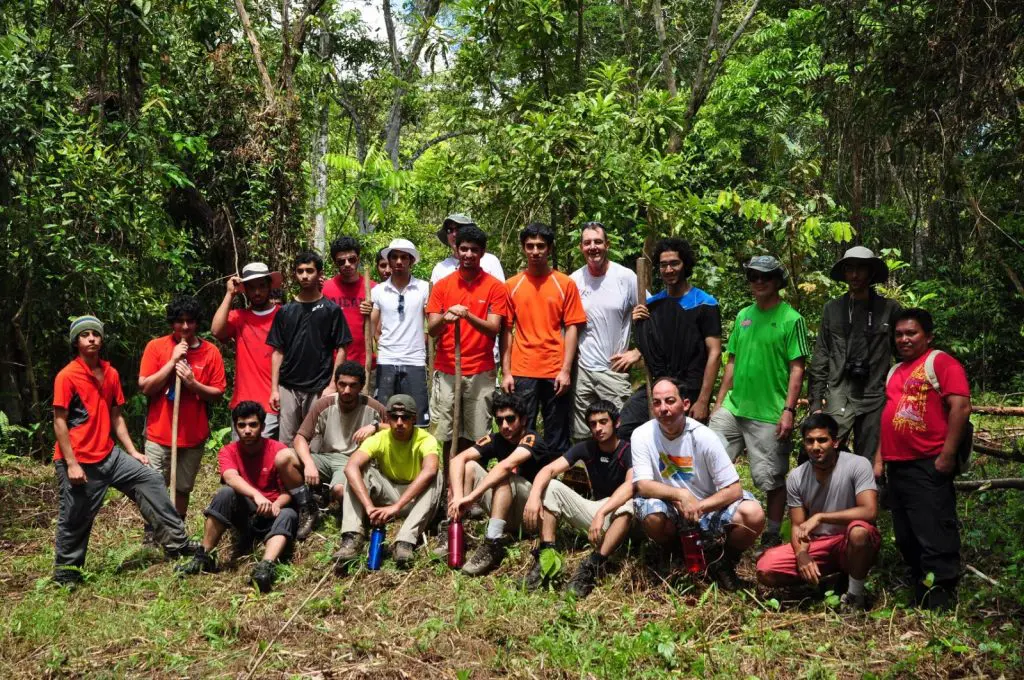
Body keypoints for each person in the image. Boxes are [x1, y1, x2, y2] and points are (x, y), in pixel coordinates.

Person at [53, 316, 197, 586]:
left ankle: (177, 543)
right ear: (76, 341)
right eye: (84, 335)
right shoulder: (67, 376)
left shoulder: (110, 373)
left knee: (150, 479)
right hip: (80, 460)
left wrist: (131, 451)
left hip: (110, 454)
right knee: (76, 515)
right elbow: (59, 421)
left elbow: (117, 417)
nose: (91, 339)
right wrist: (71, 463)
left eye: (95, 334)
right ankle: (66, 573)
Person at [710, 255, 808, 552]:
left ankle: (772, 533)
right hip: (733, 407)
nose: (759, 282)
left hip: (769, 413)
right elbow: (732, 363)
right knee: (709, 463)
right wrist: (719, 403)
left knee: (770, 477)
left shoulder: (792, 319)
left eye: (765, 276)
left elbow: (797, 367)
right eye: (753, 276)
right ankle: (713, 525)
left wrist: (788, 410)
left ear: (778, 280)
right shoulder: (743, 316)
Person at [874, 308, 970, 610]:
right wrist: (879, 459)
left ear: (927, 336)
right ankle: (921, 587)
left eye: (911, 333)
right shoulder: (895, 371)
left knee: (934, 528)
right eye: (899, 334)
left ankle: (940, 594)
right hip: (897, 465)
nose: (904, 339)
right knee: (905, 533)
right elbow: (886, 418)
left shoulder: (940, 362)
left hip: (928, 461)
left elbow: (961, 408)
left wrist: (947, 455)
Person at [633, 377, 765, 590]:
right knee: (652, 515)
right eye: (657, 403)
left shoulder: (704, 437)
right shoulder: (642, 435)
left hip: (706, 508)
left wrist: (699, 506)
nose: (663, 408)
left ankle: (723, 561)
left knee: (753, 514)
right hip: (670, 507)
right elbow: (643, 485)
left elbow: (734, 489)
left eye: (669, 401)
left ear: (685, 404)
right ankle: (673, 553)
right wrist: (680, 495)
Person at [756, 413, 880, 610]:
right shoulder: (797, 477)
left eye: (822, 440)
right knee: (766, 568)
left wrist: (821, 516)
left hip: (849, 540)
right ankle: (826, 580)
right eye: (810, 441)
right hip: (818, 543)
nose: (815, 447)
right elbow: (798, 525)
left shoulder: (858, 464)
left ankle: (855, 595)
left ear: (835, 442)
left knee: (859, 532)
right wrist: (801, 555)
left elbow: (869, 511)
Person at [176, 402, 297, 593]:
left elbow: (288, 492)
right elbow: (230, 477)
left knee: (289, 513)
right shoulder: (228, 451)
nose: (247, 430)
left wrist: (275, 505)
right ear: (236, 427)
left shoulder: (277, 449)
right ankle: (204, 556)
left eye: (253, 425)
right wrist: (257, 496)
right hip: (245, 512)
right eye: (242, 425)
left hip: (273, 513)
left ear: (263, 427)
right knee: (226, 493)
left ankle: (265, 567)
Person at [520, 399, 635, 597]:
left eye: (603, 422)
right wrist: (534, 496)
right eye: (593, 424)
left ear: (616, 423)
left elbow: (630, 486)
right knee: (552, 486)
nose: (598, 428)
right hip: (596, 512)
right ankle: (546, 557)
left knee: (630, 503)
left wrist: (602, 512)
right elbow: (549, 469)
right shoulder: (586, 448)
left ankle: (593, 566)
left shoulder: (629, 450)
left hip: (621, 515)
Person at [617, 237, 722, 441]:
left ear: (685, 265)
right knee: (625, 426)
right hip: (659, 385)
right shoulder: (653, 305)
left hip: (689, 388)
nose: (669, 269)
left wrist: (702, 400)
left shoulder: (704, 303)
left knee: (686, 442)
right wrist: (639, 322)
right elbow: (651, 345)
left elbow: (715, 354)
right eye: (664, 265)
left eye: (674, 263)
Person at [445, 392, 560, 575]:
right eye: (499, 421)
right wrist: (459, 496)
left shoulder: (532, 439)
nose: (504, 426)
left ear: (523, 420)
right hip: (506, 507)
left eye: (510, 419)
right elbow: (457, 460)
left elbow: (506, 466)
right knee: (469, 466)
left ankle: (493, 542)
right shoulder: (497, 438)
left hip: (531, 514)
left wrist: (472, 497)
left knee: (502, 474)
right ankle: (455, 528)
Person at [138, 295, 226, 524]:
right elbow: (146, 387)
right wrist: (171, 361)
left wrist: (192, 384)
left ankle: (177, 528)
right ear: (172, 322)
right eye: (179, 321)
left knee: (182, 487)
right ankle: (153, 530)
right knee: (153, 486)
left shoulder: (210, 353)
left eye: (190, 321)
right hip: (159, 435)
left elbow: (218, 394)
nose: (185, 326)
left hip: (192, 436)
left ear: (197, 322)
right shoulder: (156, 347)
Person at [274, 362, 386, 541]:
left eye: (353, 385)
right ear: (336, 383)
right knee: (283, 457)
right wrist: (309, 463)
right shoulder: (324, 404)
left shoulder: (374, 408)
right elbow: (300, 438)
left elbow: (399, 428)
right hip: (326, 457)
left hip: (353, 461)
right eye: (342, 384)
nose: (347, 390)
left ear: (361, 386)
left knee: (340, 491)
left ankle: (349, 519)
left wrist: (376, 426)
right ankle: (308, 506)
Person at [807, 247, 901, 460]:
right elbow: (821, 353)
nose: (855, 275)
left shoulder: (889, 309)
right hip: (839, 393)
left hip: (874, 394)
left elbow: (903, 356)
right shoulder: (833, 309)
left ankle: (869, 493)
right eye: (850, 269)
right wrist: (815, 402)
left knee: (868, 461)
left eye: (861, 269)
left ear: (871, 272)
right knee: (825, 453)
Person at [502, 222, 588, 454]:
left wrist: (566, 370)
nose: (535, 251)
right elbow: (506, 330)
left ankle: (553, 482)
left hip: (554, 370)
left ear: (549, 249)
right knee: (521, 430)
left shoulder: (565, 284)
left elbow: (572, 328)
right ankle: (522, 483)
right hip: (523, 369)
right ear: (523, 248)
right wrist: (507, 371)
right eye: (530, 246)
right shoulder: (511, 285)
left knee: (557, 432)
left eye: (541, 246)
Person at [426, 225, 510, 456]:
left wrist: (467, 315)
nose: (468, 255)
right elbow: (432, 330)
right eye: (464, 249)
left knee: (476, 435)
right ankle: (447, 484)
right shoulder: (443, 286)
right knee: (445, 432)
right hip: (447, 370)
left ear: (482, 253)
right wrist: (446, 317)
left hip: (481, 372)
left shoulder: (494, 287)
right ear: (456, 250)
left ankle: (470, 483)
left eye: (474, 250)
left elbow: (493, 329)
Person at [333, 395, 442, 568]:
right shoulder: (379, 438)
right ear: (388, 419)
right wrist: (368, 506)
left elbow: (429, 470)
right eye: (394, 417)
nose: (399, 422)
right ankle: (352, 537)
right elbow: (350, 467)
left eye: (405, 417)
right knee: (357, 472)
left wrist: (396, 507)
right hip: (387, 490)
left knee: (436, 475)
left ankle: (405, 542)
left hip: (415, 499)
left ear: (414, 419)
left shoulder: (426, 439)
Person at [268, 251, 352, 446]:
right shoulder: (285, 311)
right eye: (300, 271)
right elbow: (277, 351)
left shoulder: (332, 310)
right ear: (294, 275)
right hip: (288, 386)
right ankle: (289, 478)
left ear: (319, 273)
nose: (304, 276)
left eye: (309, 271)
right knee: (286, 443)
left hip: (319, 386)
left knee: (315, 443)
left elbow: (341, 349)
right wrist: (274, 389)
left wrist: (332, 385)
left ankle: (312, 477)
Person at [569, 223, 638, 441]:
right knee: (582, 434)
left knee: (621, 430)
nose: (593, 247)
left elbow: (651, 316)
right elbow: (567, 325)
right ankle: (586, 474)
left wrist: (638, 352)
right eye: (587, 242)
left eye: (598, 242)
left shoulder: (626, 278)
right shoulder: (573, 280)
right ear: (581, 247)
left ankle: (622, 474)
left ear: (607, 244)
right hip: (582, 372)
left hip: (613, 370)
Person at [212, 262, 283, 440]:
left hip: (273, 402)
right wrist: (229, 294)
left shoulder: (284, 315)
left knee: (269, 460)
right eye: (251, 288)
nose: (257, 292)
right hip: (243, 403)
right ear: (245, 290)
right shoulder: (239, 317)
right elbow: (216, 331)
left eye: (261, 286)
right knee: (241, 460)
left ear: (269, 286)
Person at [371, 238, 430, 424]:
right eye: (394, 257)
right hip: (386, 359)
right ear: (388, 260)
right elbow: (372, 326)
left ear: (411, 261)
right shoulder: (378, 290)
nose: (398, 261)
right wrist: (379, 343)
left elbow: (431, 321)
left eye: (404, 257)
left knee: (416, 417)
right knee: (385, 416)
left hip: (415, 359)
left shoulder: (424, 288)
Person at [322, 236, 375, 369]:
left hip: (365, 363)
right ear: (335, 263)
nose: (347, 264)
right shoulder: (325, 289)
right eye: (341, 261)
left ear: (358, 259)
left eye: (351, 259)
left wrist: (373, 311)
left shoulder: (374, 289)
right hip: (333, 363)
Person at [429, 213, 506, 284]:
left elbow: (500, 292)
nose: (454, 234)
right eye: (450, 230)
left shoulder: (490, 261)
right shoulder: (440, 268)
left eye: (458, 228)